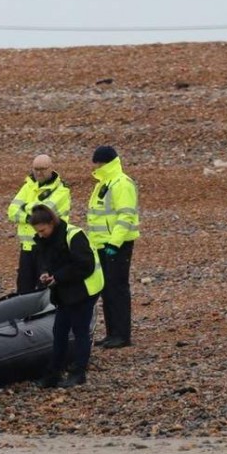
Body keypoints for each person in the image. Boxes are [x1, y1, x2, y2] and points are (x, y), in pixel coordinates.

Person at [30, 205, 103, 388]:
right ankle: (54, 373)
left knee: (80, 331)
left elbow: (85, 265)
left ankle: (78, 373)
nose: (40, 234)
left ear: (51, 223)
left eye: (42, 230)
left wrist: (58, 277)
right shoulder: (45, 239)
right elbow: (44, 260)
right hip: (65, 290)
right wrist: (45, 273)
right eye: (37, 231)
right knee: (59, 331)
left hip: (85, 290)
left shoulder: (74, 235)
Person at [86, 146, 140, 349]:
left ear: (105, 163)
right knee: (107, 289)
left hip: (117, 244)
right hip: (102, 244)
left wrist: (114, 243)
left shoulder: (121, 183)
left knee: (117, 288)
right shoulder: (104, 182)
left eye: (98, 163)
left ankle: (122, 335)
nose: (95, 167)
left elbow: (126, 216)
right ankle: (112, 333)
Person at [7, 154, 72, 294]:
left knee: (46, 290)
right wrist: (30, 216)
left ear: (51, 168)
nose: (38, 173)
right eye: (36, 169)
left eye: (42, 169)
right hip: (27, 247)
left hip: (48, 247)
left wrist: (24, 207)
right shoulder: (28, 186)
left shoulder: (61, 190)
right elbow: (12, 211)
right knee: (23, 290)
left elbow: (43, 213)